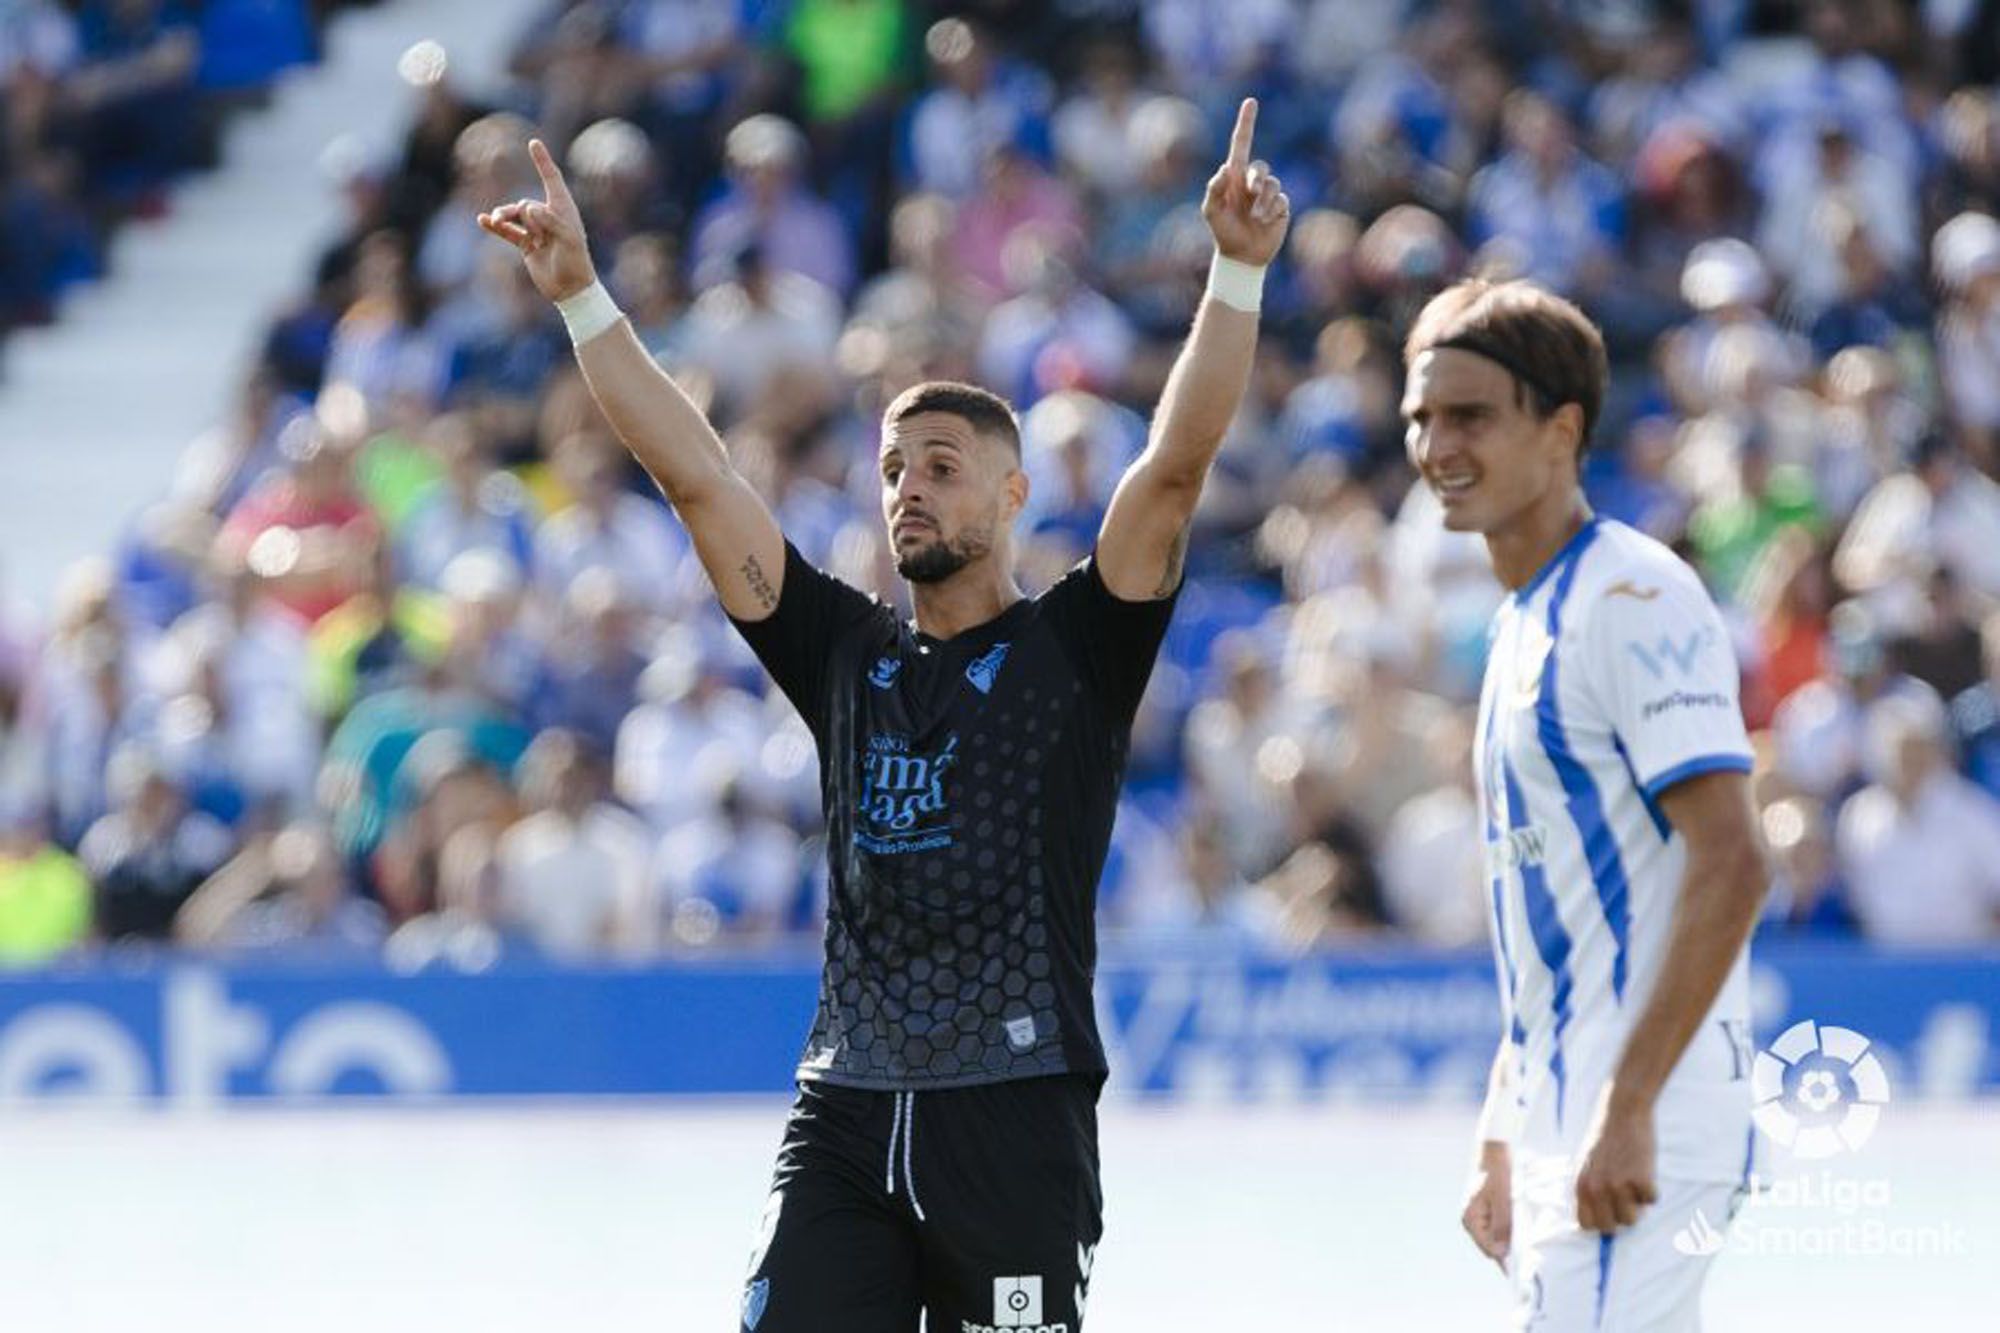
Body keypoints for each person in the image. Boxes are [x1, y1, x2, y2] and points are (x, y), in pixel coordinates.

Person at [478, 97, 1290, 1331]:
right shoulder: (843, 652)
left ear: (1013, 493)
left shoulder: (1080, 643)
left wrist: (1233, 271)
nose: (909, 490)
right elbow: (695, 475)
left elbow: (1172, 469)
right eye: (894, 470)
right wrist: (584, 299)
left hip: (1014, 1110)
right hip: (845, 1106)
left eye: (943, 468)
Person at [1401, 279, 1770, 1329]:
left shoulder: (1631, 596)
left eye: (1468, 415)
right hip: (1576, 1119)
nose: (1434, 445)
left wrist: (1626, 1105)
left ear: (1559, 429)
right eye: (1420, 418)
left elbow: (1733, 861)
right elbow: (1554, 919)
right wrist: (1503, 1122)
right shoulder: (1519, 623)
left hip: (1640, 1121)